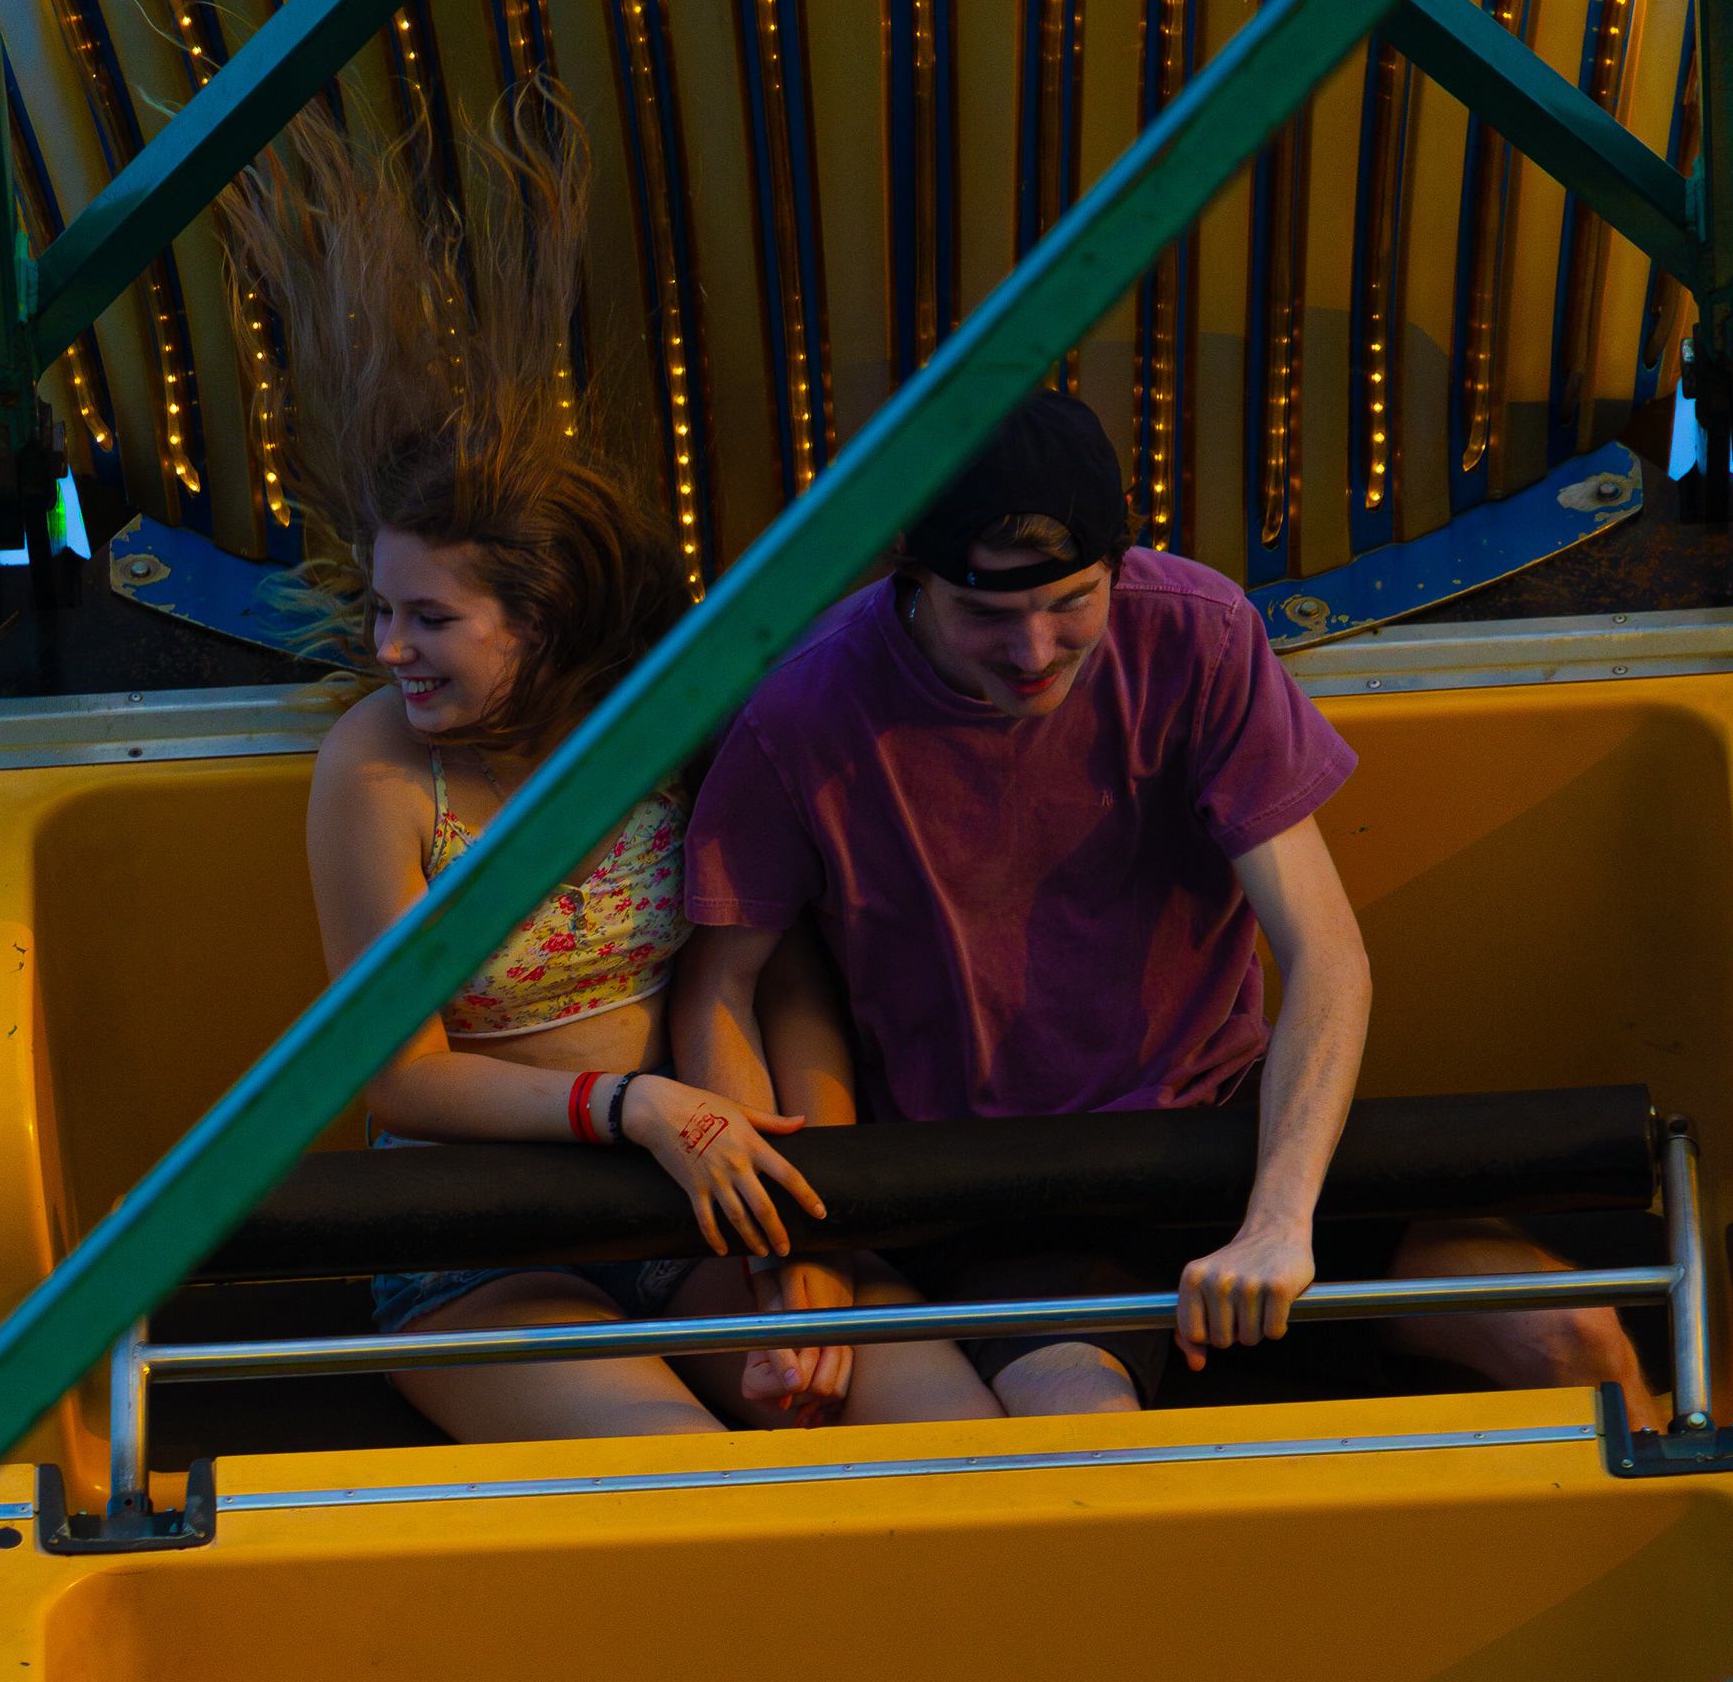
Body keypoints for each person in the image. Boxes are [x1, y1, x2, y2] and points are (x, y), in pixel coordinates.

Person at [226, 94, 1000, 1444]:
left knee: (948, 1420)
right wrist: (631, 1105)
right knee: (680, 1477)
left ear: (543, 621)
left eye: (429, 618)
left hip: (713, 1194)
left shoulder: (671, 733)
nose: (386, 646)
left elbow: (784, 975)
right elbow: (399, 1077)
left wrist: (808, 1221)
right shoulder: (377, 773)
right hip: (490, 1233)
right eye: (382, 608)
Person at [670, 388, 1647, 1416]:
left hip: (1221, 1138)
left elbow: (1323, 951)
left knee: (1571, 1335)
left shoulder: (1201, 635)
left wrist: (1278, 1217)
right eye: (987, 614)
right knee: (1089, 1437)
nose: (1034, 651)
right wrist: (796, 1256)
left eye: (1070, 603)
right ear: (909, 574)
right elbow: (723, 987)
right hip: (1000, 1192)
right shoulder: (803, 709)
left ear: (1122, 568)